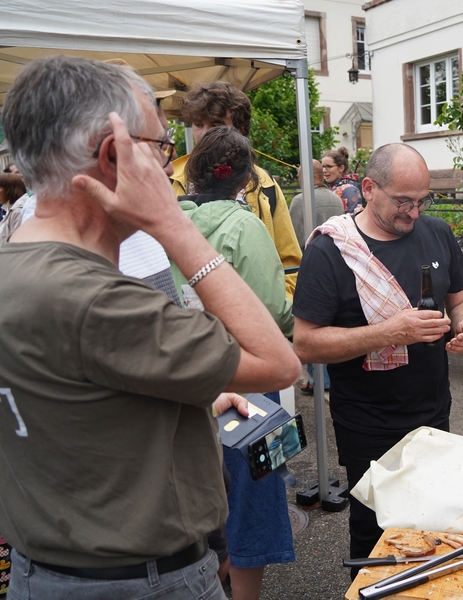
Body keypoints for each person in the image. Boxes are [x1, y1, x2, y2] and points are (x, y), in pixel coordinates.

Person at [0, 55, 301, 600]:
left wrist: (197, 394)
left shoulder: (18, 268)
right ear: (114, 155)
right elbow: (278, 362)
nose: (169, 168)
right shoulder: (97, 298)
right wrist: (171, 224)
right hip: (141, 582)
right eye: (161, 146)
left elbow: (80, 400)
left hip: (42, 572)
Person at [292, 143, 463, 564]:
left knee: (433, 522)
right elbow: (305, 343)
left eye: (421, 201)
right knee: (376, 536)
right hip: (368, 423)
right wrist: (388, 332)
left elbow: (462, 299)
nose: (413, 213)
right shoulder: (330, 250)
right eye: (402, 202)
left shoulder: (437, 232)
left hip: (433, 412)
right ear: (368, 188)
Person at [173, 126, 294, 600]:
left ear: (190, 174)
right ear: (245, 181)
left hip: (184, 380)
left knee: (194, 492)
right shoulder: (246, 226)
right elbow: (273, 312)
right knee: (254, 497)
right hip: (246, 380)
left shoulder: (167, 226)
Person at [171, 81, 302, 298]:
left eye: (215, 125)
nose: (204, 134)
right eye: (198, 124)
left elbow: (290, 263)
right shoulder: (168, 180)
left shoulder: (265, 184)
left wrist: (274, 307)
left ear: (240, 130)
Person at [290, 158, 343, 395]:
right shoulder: (335, 198)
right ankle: (329, 377)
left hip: (310, 267)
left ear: (306, 176)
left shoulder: (300, 201)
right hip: (339, 266)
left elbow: (292, 238)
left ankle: (318, 379)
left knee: (312, 325)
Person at [289, 158, 343, 246]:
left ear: (309, 176)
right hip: (334, 252)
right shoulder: (337, 199)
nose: (299, 181)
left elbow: (292, 237)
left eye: (299, 177)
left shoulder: (300, 200)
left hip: (308, 252)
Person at [322, 146, 363, 214]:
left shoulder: (349, 190)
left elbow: (354, 217)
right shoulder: (330, 188)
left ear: (341, 168)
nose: (324, 170)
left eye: (329, 166)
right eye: (323, 166)